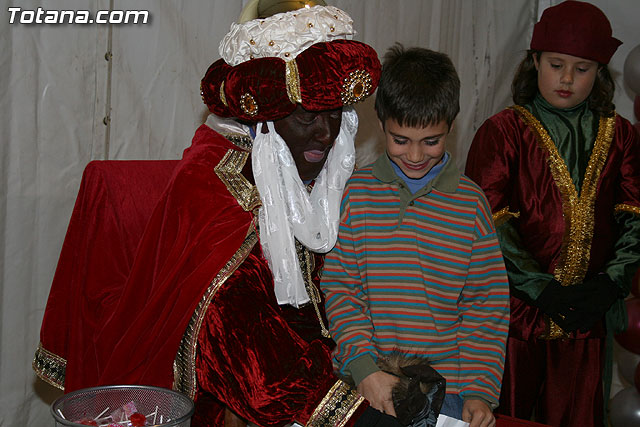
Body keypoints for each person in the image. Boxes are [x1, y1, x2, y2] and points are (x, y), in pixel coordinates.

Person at [33, 2, 405, 426]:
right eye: (306, 116)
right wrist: (355, 414)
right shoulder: (214, 186)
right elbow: (241, 346)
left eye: (335, 113)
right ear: (265, 118)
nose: (326, 133)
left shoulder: (317, 169)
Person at [464, 2, 640, 426]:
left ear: (600, 72)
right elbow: (487, 220)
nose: (566, 79)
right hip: (515, 320)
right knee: (508, 415)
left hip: (587, 322)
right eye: (556, 65)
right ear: (535, 62)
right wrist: (540, 288)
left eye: (582, 69)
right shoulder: (503, 131)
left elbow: (634, 216)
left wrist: (608, 285)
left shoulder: (621, 135)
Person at [320, 45, 510, 427]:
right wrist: (362, 366)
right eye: (401, 140)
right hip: (369, 382)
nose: (416, 155)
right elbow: (342, 289)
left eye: (431, 141)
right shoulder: (355, 194)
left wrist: (478, 391)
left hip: (447, 392)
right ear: (381, 123)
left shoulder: (471, 204)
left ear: (451, 126)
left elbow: (485, 304)